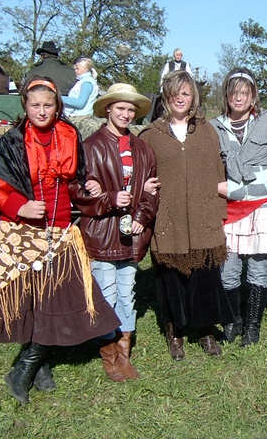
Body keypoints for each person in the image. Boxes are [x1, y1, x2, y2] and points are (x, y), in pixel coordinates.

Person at [0, 76, 121, 404]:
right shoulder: (14, 140)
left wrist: (89, 185)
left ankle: (26, 367)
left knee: (59, 296)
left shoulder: (69, 134)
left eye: (48, 105)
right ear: (25, 106)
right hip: (22, 230)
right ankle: (36, 365)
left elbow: (76, 178)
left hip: (60, 230)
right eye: (35, 105)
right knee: (30, 297)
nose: (41, 111)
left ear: (58, 106)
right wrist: (20, 206)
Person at [140, 70, 232, 359]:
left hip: (204, 217)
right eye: (175, 93)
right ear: (166, 96)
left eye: (186, 93)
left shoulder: (206, 131)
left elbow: (218, 173)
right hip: (169, 220)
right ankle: (175, 333)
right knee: (172, 281)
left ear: (193, 97)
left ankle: (205, 331)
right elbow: (142, 176)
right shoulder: (151, 135)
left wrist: (218, 212)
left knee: (205, 279)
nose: (180, 98)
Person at [71, 83, 158, 381]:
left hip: (131, 234)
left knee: (127, 292)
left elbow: (152, 190)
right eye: (120, 108)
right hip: (103, 232)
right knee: (106, 293)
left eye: (131, 109)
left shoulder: (142, 149)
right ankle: (109, 356)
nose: (125, 114)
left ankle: (124, 354)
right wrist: (108, 197)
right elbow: (77, 189)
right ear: (108, 108)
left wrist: (142, 216)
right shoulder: (90, 146)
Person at [210, 68, 267, 347]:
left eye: (245, 93)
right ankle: (233, 320)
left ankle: (252, 326)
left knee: (258, 269)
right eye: (234, 92)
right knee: (228, 268)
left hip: (262, 203)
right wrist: (217, 187)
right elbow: (210, 166)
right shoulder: (214, 126)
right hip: (231, 204)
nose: (239, 98)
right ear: (226, 95)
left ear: (253, 96)